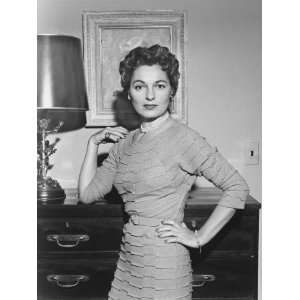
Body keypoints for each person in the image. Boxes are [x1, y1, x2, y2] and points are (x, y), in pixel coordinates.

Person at [78, 44, 249, 300]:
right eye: (139, 86)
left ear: (171, 92)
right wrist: (92, 144)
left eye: (159, 85)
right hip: (129, 261)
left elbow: (237, 187)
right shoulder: (124, 144)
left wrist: (199, 237)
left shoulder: (184, 139)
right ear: (129, 94)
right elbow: (87, 195)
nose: (149, 95)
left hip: (166, 264)